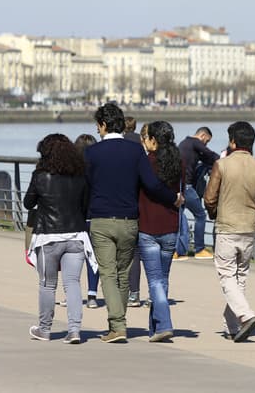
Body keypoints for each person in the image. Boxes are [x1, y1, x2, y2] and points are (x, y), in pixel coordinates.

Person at [84, 103, 183, 343]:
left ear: (104, 125)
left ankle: (117, 325)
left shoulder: (91, 153)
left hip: (100, 219)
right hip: (129, 220)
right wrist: (174, 198)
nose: (97, 130)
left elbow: (84, 187)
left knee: (107, 272)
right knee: (123, 272)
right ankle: (120, 322)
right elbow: (151, 184)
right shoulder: (135, 151)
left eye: (98, 126)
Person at [204, 121, 255, 342]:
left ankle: (245, 315)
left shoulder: (222, 165)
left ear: (233, 141)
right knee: (240, 277)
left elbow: (209, 198)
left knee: (226, 275)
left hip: (226, 227)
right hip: (248, 229)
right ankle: (232, 326)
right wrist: (252, 211)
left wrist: (215, 212)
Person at [24, 133, 96, 344]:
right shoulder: (81, 175)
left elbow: (28, 203)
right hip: (76, 236)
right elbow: (85, 206)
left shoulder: (40, 175)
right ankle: (74, 330)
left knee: (47, 284)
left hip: (48, 237)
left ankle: (45, 329)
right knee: (72, 283)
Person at [138, 121, 184, 342]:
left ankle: (164, 324)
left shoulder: (146, 162)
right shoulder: (177, 162)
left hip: (148, 226)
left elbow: (149, 188)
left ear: (153, 140)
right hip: (170, 226)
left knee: (155, 280)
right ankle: (154, 327)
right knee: (162, 279)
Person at [177, 126, 220, 260]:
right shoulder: (195, 142)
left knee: (178, 216)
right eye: (206, 141)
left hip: (178, 185)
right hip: (187, 187)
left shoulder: (184, 143)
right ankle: (199, 249)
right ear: (202, 136)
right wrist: (225, 162)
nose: (205, 144)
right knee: (200, 215)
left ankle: (176, 250)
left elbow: (204, 158)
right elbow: (211, 155)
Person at [74, 133, 100, 309]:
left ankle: (72, 294)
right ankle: (92, 295)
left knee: (74, 258)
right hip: (96, 215)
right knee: (94, 257)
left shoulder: (73, 169)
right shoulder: (100, 167)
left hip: (76, 217)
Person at [124, 116, 143, 307]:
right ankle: (135, 293)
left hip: (122, 201)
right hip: (139, 202)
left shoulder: (119, 143)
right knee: (137, 250)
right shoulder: (141, 143)